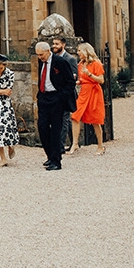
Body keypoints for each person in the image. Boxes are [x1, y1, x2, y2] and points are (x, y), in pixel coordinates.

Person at [34, 41, 77, 171]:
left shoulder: (60, 62)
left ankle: (56, 161)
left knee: (56, 130)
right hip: (44, 97)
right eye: (38, 55)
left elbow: (70, 82)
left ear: (48, 51)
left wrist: (60, 96)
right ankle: (50, 156)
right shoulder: (41, 62)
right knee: (42, 128)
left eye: (41, 54)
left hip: (56, 98)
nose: (40, 57)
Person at [70, 42, 106, 154]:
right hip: (84, 92)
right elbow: (82, 80)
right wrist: (76, 82)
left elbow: (101, 80)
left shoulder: (96, 63)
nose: (78, 53)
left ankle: (100, 146)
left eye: (79, 50)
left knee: (95, 120)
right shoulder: (80, 64)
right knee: (75, 116)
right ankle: (75, 143)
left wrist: (89, 74)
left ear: (86, 51)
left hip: (94, 92)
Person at [50, 36, 77, 150]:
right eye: (53, 44)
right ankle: (74, 142)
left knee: (64, 119)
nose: (54, 46)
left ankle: (60, 146)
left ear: (63, 45)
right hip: (56, 94)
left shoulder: (70, 59)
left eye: (57, 44)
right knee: (65, 119)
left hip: (67, 94)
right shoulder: (53, 58)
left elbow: (74, 76)